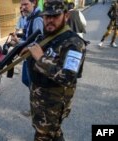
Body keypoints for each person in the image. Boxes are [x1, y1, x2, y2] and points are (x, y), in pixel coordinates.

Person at [25, 0, 87, 140]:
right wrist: (29, 52)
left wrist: (40, 58)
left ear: (66, 16)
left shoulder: (75, 43)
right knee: (54, 132)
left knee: (43, 135)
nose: (50, 21)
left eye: (55, 16)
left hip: (53, 103)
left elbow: (68, 77)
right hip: (39, 98)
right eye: (47, 17)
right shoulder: (47, 36)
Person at [11, 0, 44, 117]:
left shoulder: (37, 19)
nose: (22, 7)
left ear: (34, 3)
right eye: (21, 5)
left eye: (25, 4)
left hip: (34, 59)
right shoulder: (30, 17)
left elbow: (37, 43)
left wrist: (19, 42)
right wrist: (18, 41)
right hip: (27, 58)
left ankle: (36, 110)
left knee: (33, 85)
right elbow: (28, 38)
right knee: (26, 80)